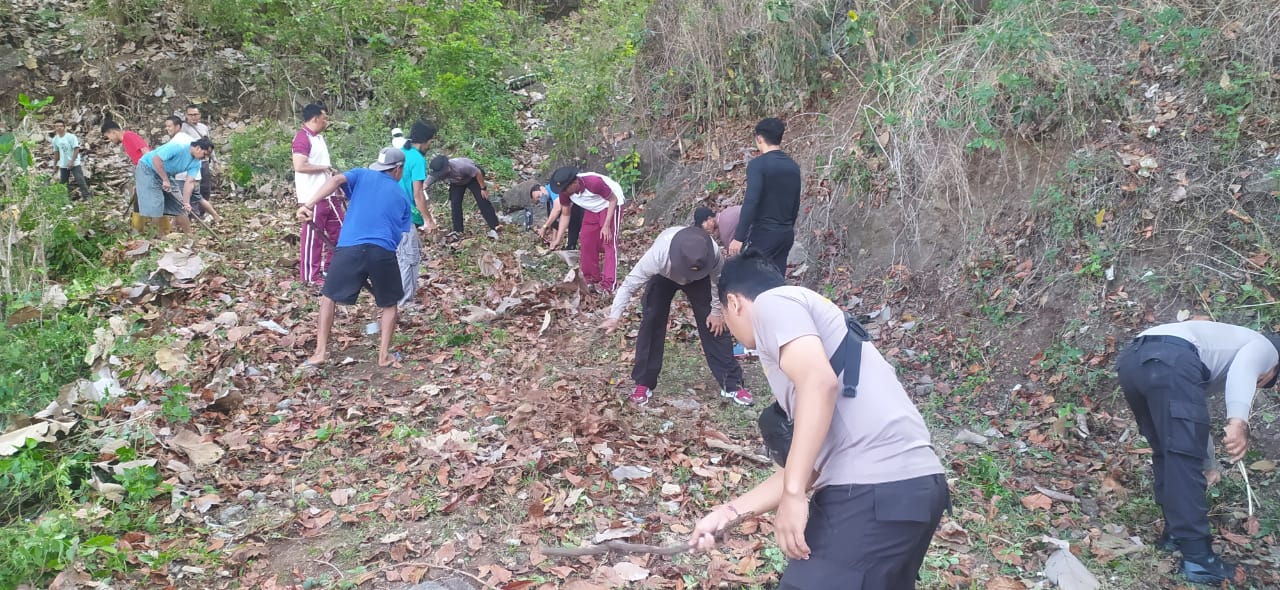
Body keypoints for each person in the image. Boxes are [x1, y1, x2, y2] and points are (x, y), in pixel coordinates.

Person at [687, 251, 947, 589]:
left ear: (734, 303)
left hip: (873, 492)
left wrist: (794, 496)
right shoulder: (817, 334)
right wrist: (729, 513)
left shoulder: (771, 303)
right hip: (915, 488)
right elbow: (809, 465)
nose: (733, 334)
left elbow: (819, 383)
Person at [1116, 321, 1280, 585]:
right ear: (1271, 370)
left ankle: (1174, 536)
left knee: (1169, 455)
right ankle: (1198, 559)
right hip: (1170, 359)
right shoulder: (1265, 347)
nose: (1259, 383)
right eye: (1267, 381)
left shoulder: (1211, 356)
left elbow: (1192, 417)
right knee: (1181, 461)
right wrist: (1238, 422)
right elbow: (1245, 368)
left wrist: (1208, 464)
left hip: (1133, 361)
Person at [601, 225, 750, 405]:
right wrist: (615, 315)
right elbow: (630, 284)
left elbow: (720, 283)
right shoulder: (658, 256)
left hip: (701, 279)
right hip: (664, 276)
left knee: (714, 323)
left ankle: (732, 384)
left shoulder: (712, 253)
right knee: (652, 318)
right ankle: (643, 383)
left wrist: (717, 312)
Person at [296, 147, 411, 370]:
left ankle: (320, 354)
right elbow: (399, 234)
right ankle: (384, 356)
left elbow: (337, 179)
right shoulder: (402, 196)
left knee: (329, 297)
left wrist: (308, 205)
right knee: (389, 304)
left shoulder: (361, 175)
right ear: (398, 169)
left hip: (349, 248)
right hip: (382, 251)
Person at [728, 118, 801, 275]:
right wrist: (787, 227)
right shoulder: (793, 166)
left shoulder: (758, 165)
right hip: (786, 233)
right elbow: (795, 203)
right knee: (776, 279)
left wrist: (739, 237)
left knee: (751, 279)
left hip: (765, 233)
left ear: (759, 138)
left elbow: (751, 201)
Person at [542, 167, 625, 292]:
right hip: (592, 209)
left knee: (608, 241)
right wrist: (558, 238)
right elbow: (565, 214)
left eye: (565, 189)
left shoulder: (594, 183)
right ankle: (591, 278)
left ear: (574, 183)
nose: (563, 192)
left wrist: (606, 225)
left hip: (610, 204)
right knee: (586, 240)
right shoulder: (565, 193)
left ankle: (609, 285)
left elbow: (613, 199)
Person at [293, 103, 346, 287]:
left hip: (330, 196)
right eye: (324, 118)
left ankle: (330, 268)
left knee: (340, 232)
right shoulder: (302, 138)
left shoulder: (320, 139)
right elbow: (299, 165)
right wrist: (324, 168)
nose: (327, 121)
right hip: (312, 197)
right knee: (313, 237)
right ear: (315, 118)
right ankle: (309, 276)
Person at [695, 206, 754, 358]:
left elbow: (735, 255)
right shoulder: (727, 216)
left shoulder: (725, 225)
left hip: (758, 253)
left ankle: (750, 342)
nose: (706, 230)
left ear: (709, 219)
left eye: (703, 225)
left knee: (743, 294)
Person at [396, 121, 438, 306]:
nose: (430, 147)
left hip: (391, 212)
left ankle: (397, 297)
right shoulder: (417, 159)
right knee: (409, 258)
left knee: (399, 256)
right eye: (430, 142)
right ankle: (405, 303)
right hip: (405, 215)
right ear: (424, 141)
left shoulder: (400, 153)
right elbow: (418, 193)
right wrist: (429, 220)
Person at [136, 138, 214, 234]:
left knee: (180, 206)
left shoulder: (196, 163)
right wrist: (164, 179)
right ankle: (158, 237)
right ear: (198, 148)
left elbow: (189, 182)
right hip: (148, 169)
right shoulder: (178, 147)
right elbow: (156, 159)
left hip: (166, 174)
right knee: (157, 203)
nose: (204, 158)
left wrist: (186, 203)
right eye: (205, 154)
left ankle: (189, 236)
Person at [164, 116, 222, 224]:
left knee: (179, 201)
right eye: (166, 126)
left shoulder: (177, 140)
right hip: (195, 175)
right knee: (198, 198)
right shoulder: (188, 138)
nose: (167, 129)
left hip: (184, 176)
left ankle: (177, 225)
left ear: (177, 126)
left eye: (169, 126)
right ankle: (216, 216)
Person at [426, 155, 501, 239]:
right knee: (455, 204)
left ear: (447, 167)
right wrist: (421, 189)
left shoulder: (461, 166)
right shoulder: (438, 173)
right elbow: (426, 183)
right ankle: (458, 231)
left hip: (472, 178)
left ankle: (495, 225)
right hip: (457, 183)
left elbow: (478, 173)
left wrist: (483, 188)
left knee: (482, 200)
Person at [103, 120, 152, 232]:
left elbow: (146, 151)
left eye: (108, 136)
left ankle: (139, 230)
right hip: (143, 172)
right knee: (140, 200)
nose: (110, 140)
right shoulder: (125, 140)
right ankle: (143, 229)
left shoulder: (129, 136)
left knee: (140, 202)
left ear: (113, 132)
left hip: (148, 171)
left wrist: (150, 172)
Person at [531, 183, 583, 249]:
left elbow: (557, 209)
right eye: (538, 200)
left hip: (580, 205)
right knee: (572, 228)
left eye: (539, 196)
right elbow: (555, 220)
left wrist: (544, 227)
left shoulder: (552, 188)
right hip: (571, 213)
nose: (540, 199)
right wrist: (554, 240)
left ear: (542, 188)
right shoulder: (549, 201)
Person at [50, 120, 91, 201]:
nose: (59, 128)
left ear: (64, 127)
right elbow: (56, 152)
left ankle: (87, 197)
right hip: (63, 164)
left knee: (80, 180)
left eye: (60, 126)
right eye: (57, 126)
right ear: (55, 128)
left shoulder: (71, 137)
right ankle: (66, 199)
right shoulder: (55, 139)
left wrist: (72, 161)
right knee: (64, 183)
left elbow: (76, 149)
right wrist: (55, 165)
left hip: (74, 163)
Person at [180, 104, 214, 202]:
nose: (193, 117)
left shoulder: (203, 127)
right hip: (191, 162)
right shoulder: (183, 128)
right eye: (190, 115)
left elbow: (209, 145)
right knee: (193, 187)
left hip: (204, 161)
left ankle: (202, 212)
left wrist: (215, 161)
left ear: (199, 115)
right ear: (186, 115)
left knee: (205, 187)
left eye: (196, 114)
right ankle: (191, 211)